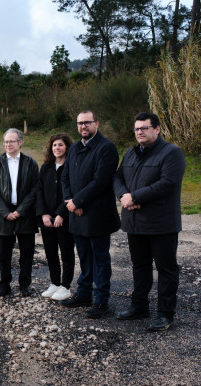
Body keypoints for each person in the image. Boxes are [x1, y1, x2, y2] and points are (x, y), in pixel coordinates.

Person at [113, 112, 186, 331]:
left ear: (157, 129)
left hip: (161, 223)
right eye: (137, 129)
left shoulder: (171, 153)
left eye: (144, 128)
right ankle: (139, 307)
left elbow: (168, 183)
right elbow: (117, 178)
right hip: (135, 222)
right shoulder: (131, 153)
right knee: (140, 266)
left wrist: (135, 197)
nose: (140, 132)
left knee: (166, 269)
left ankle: (165, 314)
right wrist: (124, 197)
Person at [61, 110, 120, 318]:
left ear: (97, 123)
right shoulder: (75, 147)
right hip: (76, 213)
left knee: (100, 259)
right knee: (84, 256)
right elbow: (65, 177)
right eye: (79, 123)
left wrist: (78, 200)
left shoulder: (107, 148)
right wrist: (70, 202)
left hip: (98, 214)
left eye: (87, 122)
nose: (83, 126)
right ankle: (84, 294)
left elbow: (101, 181)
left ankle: (102, 300)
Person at [0, 128, 39, 298]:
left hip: (25, 215)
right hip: (3, 216)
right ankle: (4, 285)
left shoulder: (31, 163)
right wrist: (6, 212)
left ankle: (25, 285)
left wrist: (20, 211)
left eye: (12, 141)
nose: (8, 144)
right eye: (6, 141)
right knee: (4, 254)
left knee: (27, 253)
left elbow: (34, 190)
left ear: (20, 142)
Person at [36, 134, 75, 301]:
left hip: (64, 218)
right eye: (54, 145)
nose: (57, 148)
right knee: (50, 253)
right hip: (47, 219)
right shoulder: (46, 168)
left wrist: (61, 213)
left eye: (60, 145)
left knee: (66, 253)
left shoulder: (72, 167)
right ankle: (55, 283)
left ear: (67, 147)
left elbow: (72, 194)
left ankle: (65, 286)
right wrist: (44, 214)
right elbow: (39, 191)